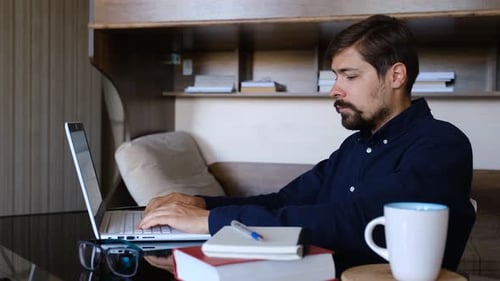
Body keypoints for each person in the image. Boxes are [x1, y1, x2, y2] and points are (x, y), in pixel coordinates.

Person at [139, 14, 476, 276]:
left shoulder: (441, 145)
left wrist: (213, 223)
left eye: (350, 76)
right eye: (335, 76)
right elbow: (283, 201)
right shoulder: (354, 148)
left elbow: (354, 220)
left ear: (396, 76)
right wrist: (200, 204)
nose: (335, 89)